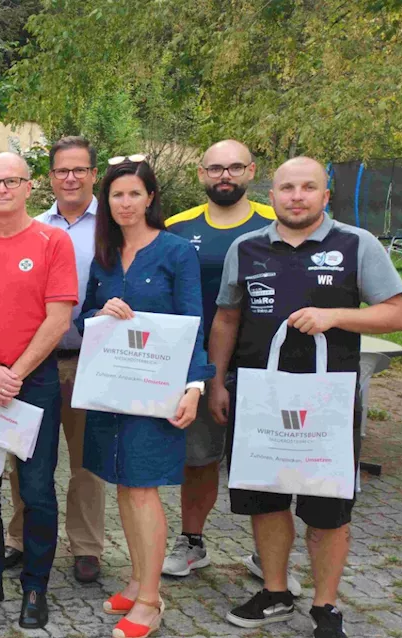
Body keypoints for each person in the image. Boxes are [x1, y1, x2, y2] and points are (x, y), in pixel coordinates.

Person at [214, 157, 402, 638]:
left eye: (308, 187)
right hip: (260, 397)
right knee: (268, 497)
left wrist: (335, 316)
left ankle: (326, 606)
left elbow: (398, 314)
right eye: (286, 188)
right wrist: (216, 381)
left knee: (327, 510)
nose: (296, 196)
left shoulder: (356, 244)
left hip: (328, 401)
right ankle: (276, 592)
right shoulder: (247, 247)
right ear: (272, 194)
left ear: (326, 196)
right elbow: (226, 320)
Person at [76, 156, 213, 638]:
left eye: (134, 193)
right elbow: (83, 319)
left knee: (141, 490)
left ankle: (151, 602)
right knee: (121, 485)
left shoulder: (176, 252)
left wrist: (195, 387)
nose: (125, 203)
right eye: (117, 195)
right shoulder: (105, 256)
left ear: (151, 197)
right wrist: (100, 310)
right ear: (106, 201)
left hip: (157, 395)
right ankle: (137, 580)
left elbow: (196, 323)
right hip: (112, 391)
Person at [0, 152, 77, 629]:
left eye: (11, 181)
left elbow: (58, 317)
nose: (1, 189)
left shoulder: (53, 242)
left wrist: (14, 374)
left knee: (37, 489)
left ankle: (35, 586)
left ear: (30, 187)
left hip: (35, 382)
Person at [160, 141, 289, 587]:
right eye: (216, 168)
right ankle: (192, 543)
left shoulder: (277, 223)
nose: (225, 176)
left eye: (234, 167)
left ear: (252, 171)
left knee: (266, 461)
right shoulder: (177, 227)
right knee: (199, 460)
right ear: (201, 174)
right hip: (198, 364)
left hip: (267, 364)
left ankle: (266, 555)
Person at [4, 136, 106, 584]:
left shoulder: (113, 226)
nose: (70, 177)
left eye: (79, 170)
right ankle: (20, 538)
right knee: (24, 455)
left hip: (91, 358)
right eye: (62, 170)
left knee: (87, 461)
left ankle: (86, 546)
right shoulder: (32, 226)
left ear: (93, 174)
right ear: (48, 178)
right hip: (35, 362)